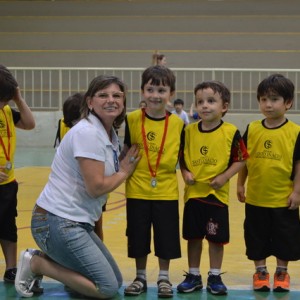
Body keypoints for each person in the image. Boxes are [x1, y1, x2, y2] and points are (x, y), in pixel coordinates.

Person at [14, 75, 141, 298]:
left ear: (123, 102)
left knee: (115, 280)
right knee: (107, 288)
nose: (111, 100)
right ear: (90, 102)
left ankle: (52, 262)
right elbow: (96, 187)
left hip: (76, 222)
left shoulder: (107, 132)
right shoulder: (88, 133)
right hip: (57, 222)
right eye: (103, 95)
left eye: (117, 95)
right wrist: (124, 172)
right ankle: (36, 263)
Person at [177, 80, 248, 295]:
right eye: (200, 102)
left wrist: (225, 176)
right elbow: (182, 158)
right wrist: (186, 173)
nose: (204, 106)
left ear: (224, 106)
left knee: (216, 239)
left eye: (211, 101)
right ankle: (193, 275)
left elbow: (242, 159)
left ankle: (215, 275)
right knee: (193, 237)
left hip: (217, 196)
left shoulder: (231, 132)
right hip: (193, 195)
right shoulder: (189, 131)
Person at [121, 65, 185, 298]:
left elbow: (183, 155)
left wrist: (188, 173)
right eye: (150, 89)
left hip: (166, 190)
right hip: (137, 189)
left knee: (166, 236)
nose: (155, 95)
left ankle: (164, 278)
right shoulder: (132, 119)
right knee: (138, 235)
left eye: (161, 90)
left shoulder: (178, 124)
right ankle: (139, 277)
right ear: (141, 91)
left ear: (171, 93)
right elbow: (126, 149)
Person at [237, 74, 300, 293]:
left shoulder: (295, 132)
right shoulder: (252, 128)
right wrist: (240, 184)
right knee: (256, 237)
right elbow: (243, 160)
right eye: (263, 99)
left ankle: (281, 272)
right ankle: (261, 272)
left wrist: (297, 191)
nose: (268, 104)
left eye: (274, 99)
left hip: (283, 198)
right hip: (256, 197)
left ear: (288, 103)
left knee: (286, 238)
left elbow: (299, 164)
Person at [53, 92, 106, 241]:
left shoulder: (93, 130)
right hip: (77, 186)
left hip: (88, 182)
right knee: (89, 224)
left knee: (95, 223)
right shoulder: (87, 131)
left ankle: (96, 254)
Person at [0, 65, 35, 284]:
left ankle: (11, 268)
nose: (3, 104)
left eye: (5, 99)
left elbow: (30, 124)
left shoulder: (5, 111)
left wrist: (18, 100)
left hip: (7, 182)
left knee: (7, 225)